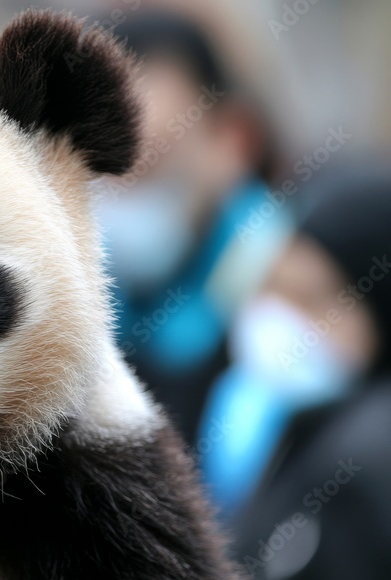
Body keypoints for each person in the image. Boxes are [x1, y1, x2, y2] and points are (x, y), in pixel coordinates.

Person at [207, 176, 391, 580]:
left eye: (311, 300)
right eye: (271, 288)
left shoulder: (362, 471)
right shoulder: (301, 428)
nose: (277, 317)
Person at [98, 9, 290, 443]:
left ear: (233, 140)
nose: (121, 192)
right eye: (99, 168)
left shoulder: (296, 322)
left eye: (151, 160)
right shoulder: (90, 309)